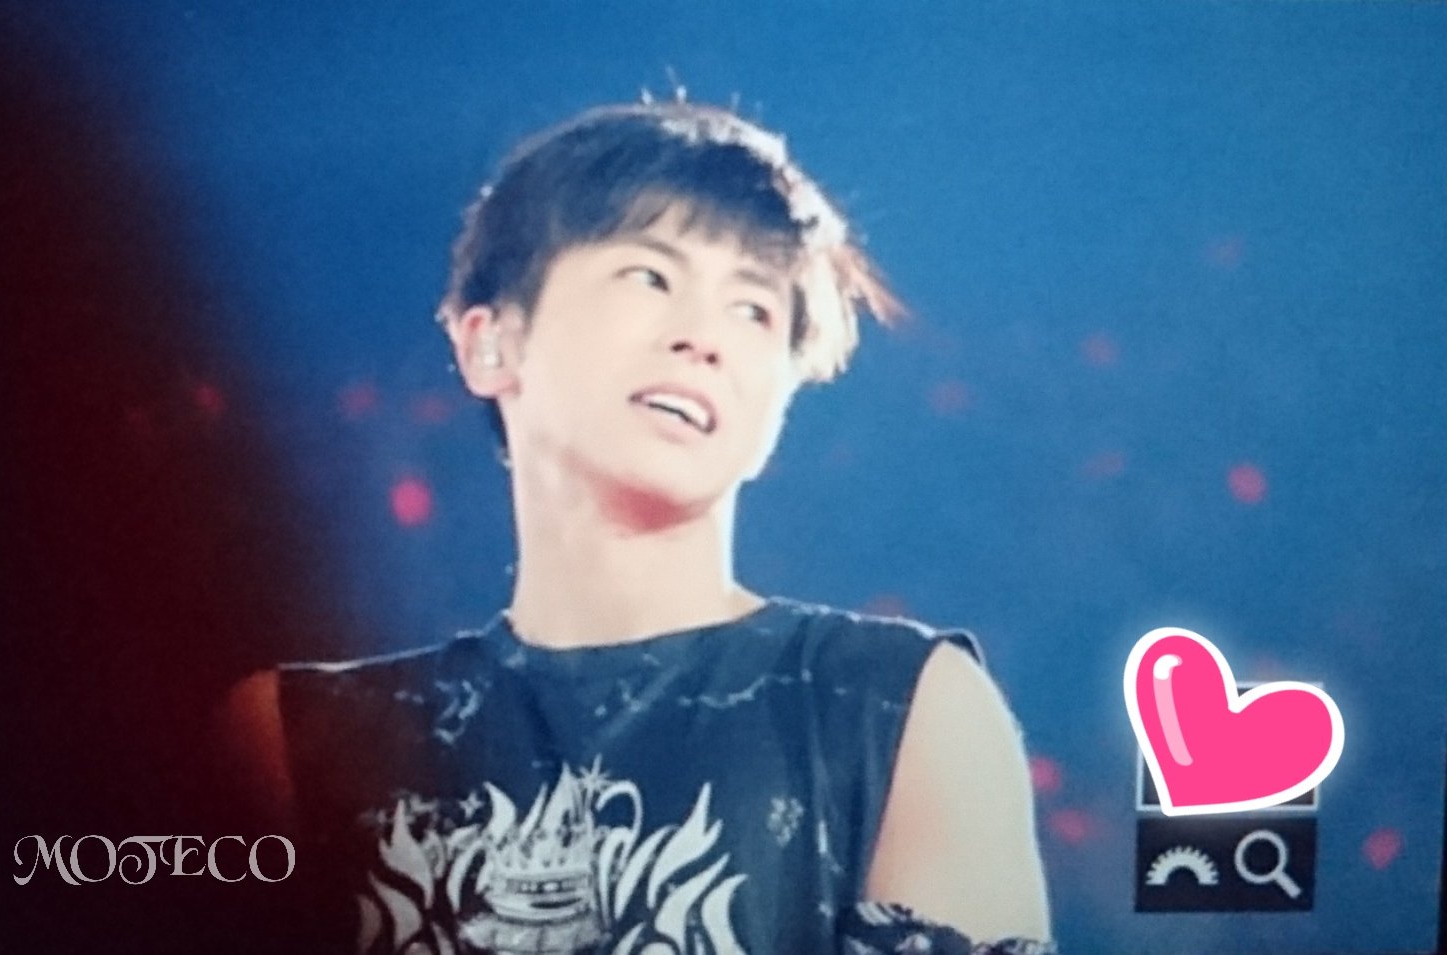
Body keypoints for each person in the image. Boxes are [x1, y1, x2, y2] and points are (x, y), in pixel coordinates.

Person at [221, 99, 1055, 955]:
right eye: (651, 276)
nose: (705, 338)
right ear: (489, 344)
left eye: (755, 309)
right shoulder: (299, 740)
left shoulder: (895, 709)